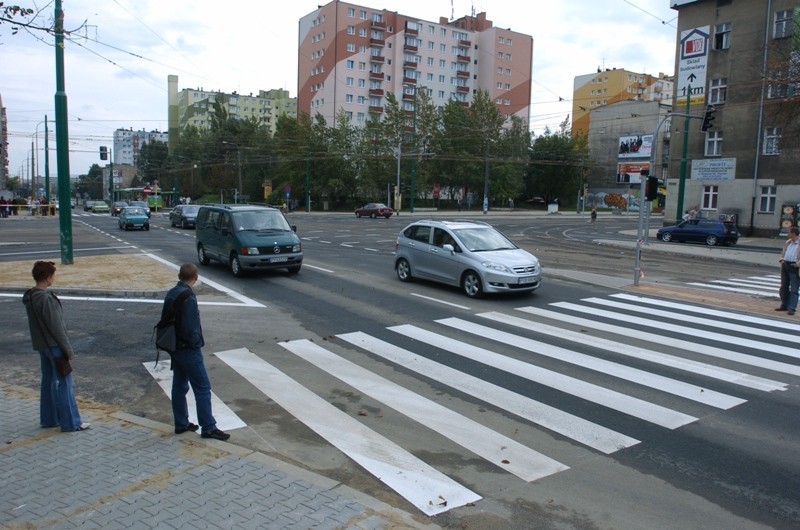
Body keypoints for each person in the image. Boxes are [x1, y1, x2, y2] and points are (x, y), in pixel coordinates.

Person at [162, 263, 230, 440]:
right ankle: (208, 427)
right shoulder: (188, 297)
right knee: (202, 388)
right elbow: (190, 328)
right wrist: (196, 343)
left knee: (179, 386)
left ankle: (181, 423)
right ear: (196, 277)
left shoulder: (171, 293)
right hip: (188, 349)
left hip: (174, 347)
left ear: (179, 276)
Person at [22, 261, 90, 432]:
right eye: (52, 276)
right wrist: (68, 350)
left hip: (42, 346)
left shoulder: (30, 296)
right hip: (54, 346)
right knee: (65, 383)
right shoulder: (46, 299)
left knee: (48, 382)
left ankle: (49, 419)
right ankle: (71, 422)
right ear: (47, 278)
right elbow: (57, 328)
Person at [776, 226, 800, 316]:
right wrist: (782, 259)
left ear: (793, 233)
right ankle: (784, 304)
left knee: (794, 289)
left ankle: (791, 308)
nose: (787, 234)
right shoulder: (788, 242)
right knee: (783, 287)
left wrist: (797, 264)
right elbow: (783, 253)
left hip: (795, 266)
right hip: (785, 265)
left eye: (789, 232)